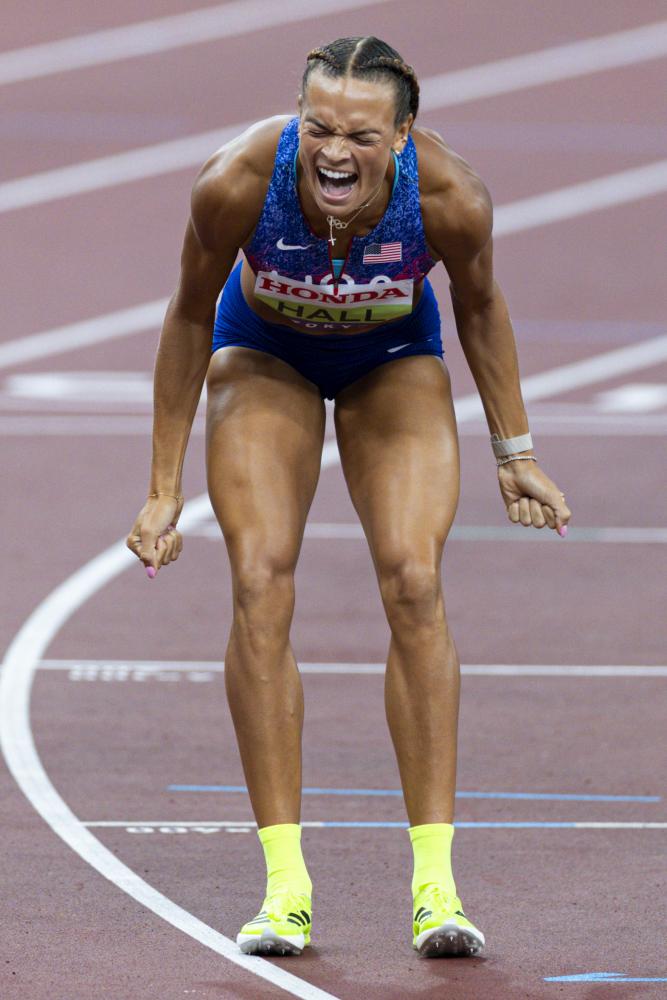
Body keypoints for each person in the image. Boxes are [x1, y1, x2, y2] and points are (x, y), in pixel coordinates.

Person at [127, 36, 571, 959]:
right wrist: (163, 488)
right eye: (318, 128)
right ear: (298, 120)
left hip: (390, 359)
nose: (334, 152)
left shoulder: (449, 197)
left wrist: (515, 451)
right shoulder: (237, 182)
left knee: (413, 581)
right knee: (259, 581)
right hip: (265, 355)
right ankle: (284, 890)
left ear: (402, 137)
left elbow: (480, 306)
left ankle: (436, 888)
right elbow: (187, 313)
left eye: (361, 136)